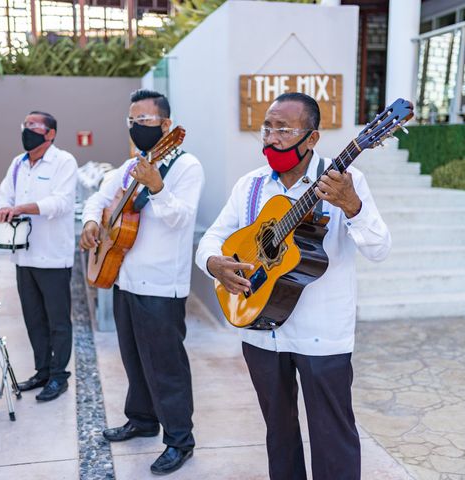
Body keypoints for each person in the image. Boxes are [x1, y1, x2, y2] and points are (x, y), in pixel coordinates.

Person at [195, 92, 391, 480]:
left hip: (322, 335)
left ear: (312, 138)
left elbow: (380, 249)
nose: (271, 137)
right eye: (267, 127)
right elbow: (212, 239)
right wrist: (215, 264)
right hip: (258, 330)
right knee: (278, 433)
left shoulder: (343, 182)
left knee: (332, 436)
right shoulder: (249, 185)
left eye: (283, 129)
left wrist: (353, 206)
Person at [80, 89, 204, 476]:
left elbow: (181, 219)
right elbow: (100, 197)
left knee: (166, 366)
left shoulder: (187, 167)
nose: (136, 127)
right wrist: (90, 221)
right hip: (125, 277)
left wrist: (157, 186)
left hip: (161, 286)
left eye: (144, 121)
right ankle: (142, 419)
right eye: (131, 121)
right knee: (133, 358)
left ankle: (179, 439)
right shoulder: (130, 164)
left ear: (166, 125)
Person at [0, 111, 77, 402]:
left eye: (34, 125)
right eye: (25, 125)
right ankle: (42, 371)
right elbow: (4, 196)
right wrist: (5, 208)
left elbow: (62, 203)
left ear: (50, 133)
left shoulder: (64, 161)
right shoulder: (18, 163)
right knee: (34, 319)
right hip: (24, 256)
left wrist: (22, 208)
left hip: (53, 257)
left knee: (58, 321)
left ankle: (58, 376)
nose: (27, 129)